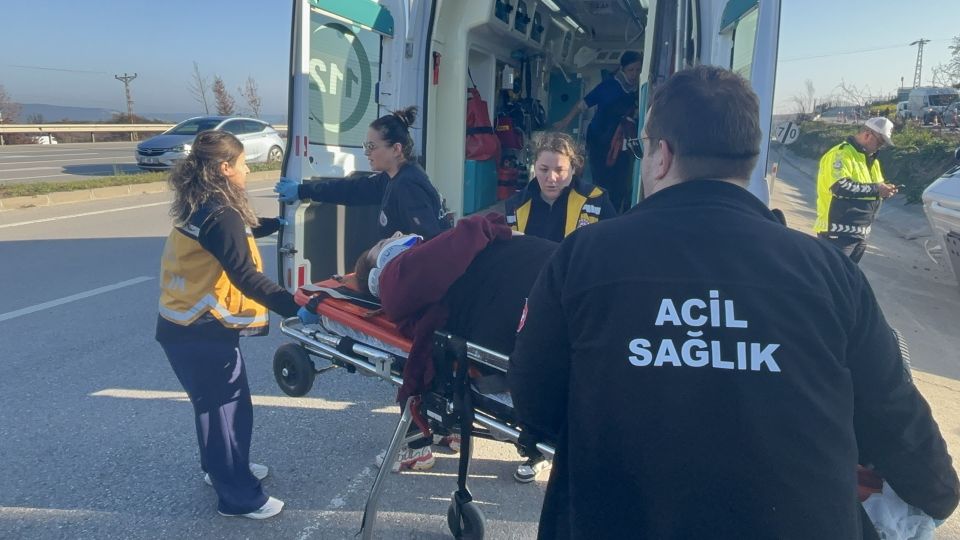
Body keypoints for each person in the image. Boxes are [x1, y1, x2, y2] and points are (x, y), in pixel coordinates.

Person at [509, 66, 959, 539]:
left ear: (663, 156)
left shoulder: (583, 256)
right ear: (749, 159)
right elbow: (894, 419)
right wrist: (937, 494)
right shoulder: (828, 272)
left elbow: (534, 397)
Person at [156, 130, 302, 520]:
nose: (247, 170)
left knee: (214, 408)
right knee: (225, 410)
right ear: (224, 168)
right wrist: (296, 306)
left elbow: (231, 237)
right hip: (200, 329)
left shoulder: (201, 203)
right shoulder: (222, 214)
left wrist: (273, 225)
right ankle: (238, 497)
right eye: (242, 163)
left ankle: (219, 469)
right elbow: (245, 275)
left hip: (184, 325)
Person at [344, 214, 559, 475]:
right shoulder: (394, 274)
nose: (396, 234)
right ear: (377, 272)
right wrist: (492, 228)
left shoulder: (416, 266)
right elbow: (462, 239)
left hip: (533, 286)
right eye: (383, 243)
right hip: (537, 286)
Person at [274, 106, 449, 239]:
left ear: (396, 149)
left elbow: (429, 246)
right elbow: (350, 189)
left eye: (371, 147)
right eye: (365, 146)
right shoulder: (392, 178)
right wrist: (302, 190)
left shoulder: (408, 186)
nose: (366, 153)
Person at [553, 51, 643, 212]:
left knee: (620, 183)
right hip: (599, 140)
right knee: (601, 181)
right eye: (631, 70)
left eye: (638, 70)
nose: (634, 74)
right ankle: (598, 212)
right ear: (622, 69)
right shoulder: (609, 87)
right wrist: (565, 121)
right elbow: (583, 104)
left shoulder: (639, 91)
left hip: (621, 144)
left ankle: (615, 213)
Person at [505, 131, 617, 242]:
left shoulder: (596, 200)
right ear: (535, 167)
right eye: (544, 169)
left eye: (559, 170)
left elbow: (614, 244)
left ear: (573, 169)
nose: (551, 178)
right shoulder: (516, 205)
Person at [814, 117, 899, 263]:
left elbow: (871, 192)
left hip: (860, 234)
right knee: (832, 274)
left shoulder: (872, 161)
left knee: (847, 276)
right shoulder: (840, 154)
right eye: (880, 142)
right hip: (837, 233)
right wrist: (877, 189)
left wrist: (885, 192)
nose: (880, 147)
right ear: (867, 135)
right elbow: (841, 187)